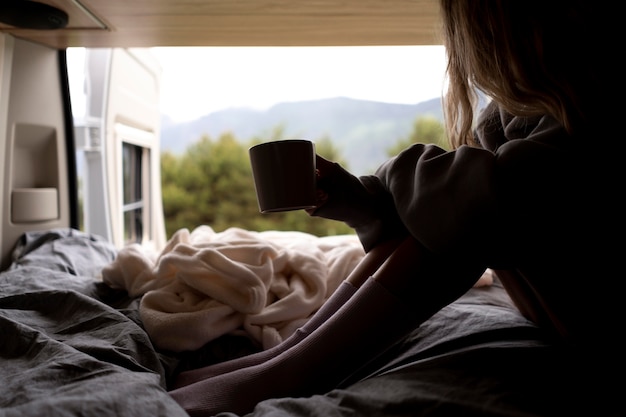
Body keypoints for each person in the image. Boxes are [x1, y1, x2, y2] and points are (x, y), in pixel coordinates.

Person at [169, 1, 623, 415]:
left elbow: (478, 196)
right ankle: (284, 357)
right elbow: (468, 197)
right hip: (562, 314)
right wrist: (365, 208)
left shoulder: (598, 120)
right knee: (453, 209)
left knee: (464, 209)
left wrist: (379, 190)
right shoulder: (532, 123)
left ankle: (290, 372)